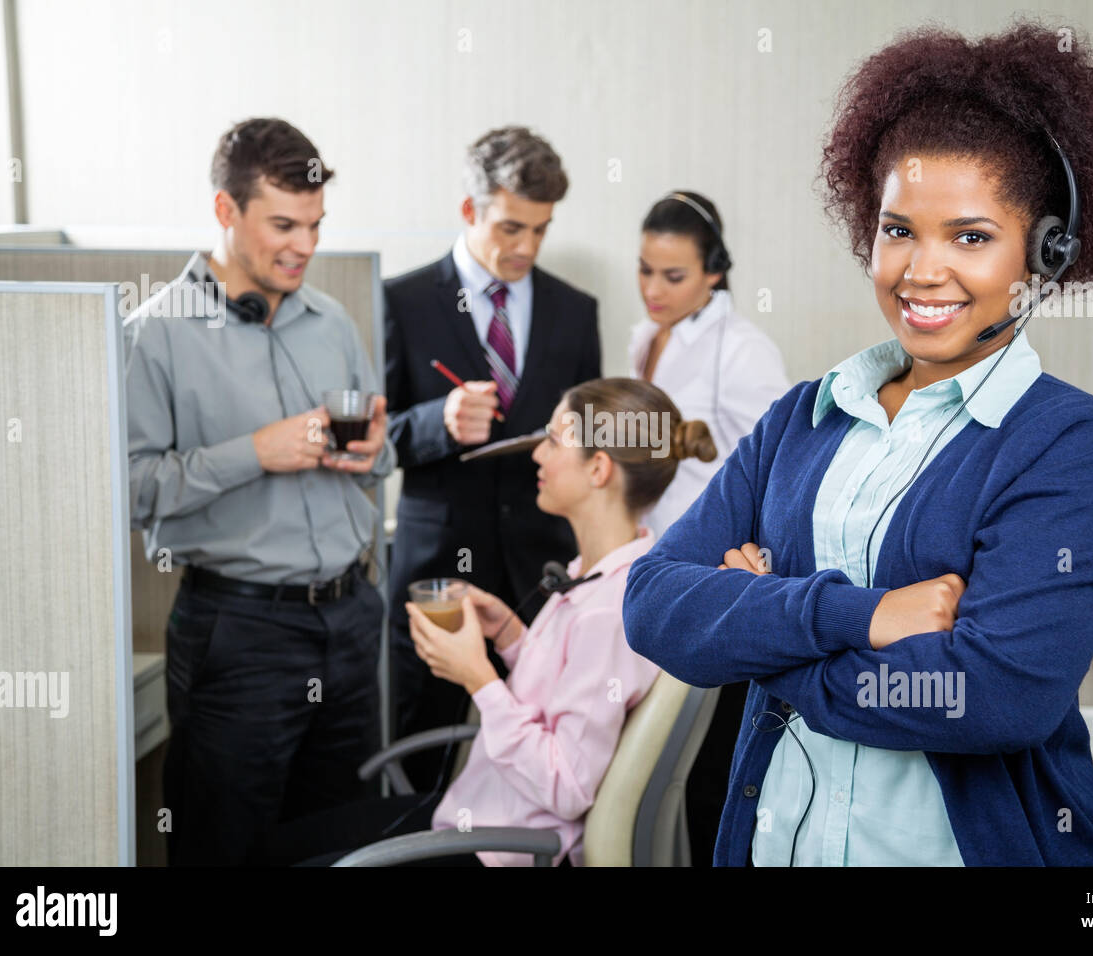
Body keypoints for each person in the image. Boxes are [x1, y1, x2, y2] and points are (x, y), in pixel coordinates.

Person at [623, 21, 1093, 866]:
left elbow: (989, 696)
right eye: (898, 229)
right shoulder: (802, 419)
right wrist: (865, 617)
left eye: (971, 237)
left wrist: (767, 652)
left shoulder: (1069, 444)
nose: (922, 269)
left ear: (1042, 255)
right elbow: (651, 604)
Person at [254, 378, 716, 866]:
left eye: (554, 441)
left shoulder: (610, 609)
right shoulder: (593, 576)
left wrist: (479, 677)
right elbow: (569, 687)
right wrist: (511, 636)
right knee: (280, 848)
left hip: (500, 849)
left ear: (598, 469)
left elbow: (566, 786)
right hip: (476, 816)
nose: (537, 456)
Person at [124, 117, 396, 866]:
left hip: (349, 619)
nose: (304, 246)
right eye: (283, 224)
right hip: (239, 634)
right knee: (226, 845)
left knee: (345, 841)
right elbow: (131, 492)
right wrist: (255, 454)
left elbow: (378, 452)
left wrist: (376, 452)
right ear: (225, 211)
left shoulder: (333, 320)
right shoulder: (154, 336)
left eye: (314, 225)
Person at [383, 126, 601, 790]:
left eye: (541, 230)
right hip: (436, 577)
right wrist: (435, 422)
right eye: (511, 227)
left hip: (544, 578)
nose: (526, 248)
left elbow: (588, 435)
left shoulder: (574, 310)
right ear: (469, 210)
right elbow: (368, 440)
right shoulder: (401, 301)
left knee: (541, 768)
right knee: (418, 767)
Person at [630, 190, 789, 865]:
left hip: (713, 579)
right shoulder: (645, 338)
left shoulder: (744, 352)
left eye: (674, 276)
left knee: (709, 767)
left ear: (714, 272)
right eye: (644, 270)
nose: (653, 291)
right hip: (656, 568)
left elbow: (776, 476)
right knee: (651, 761)